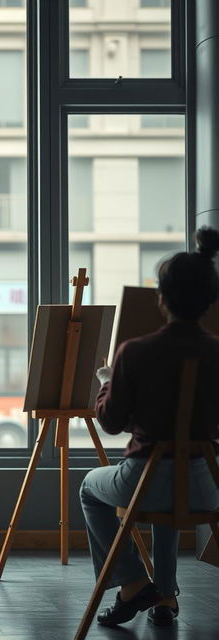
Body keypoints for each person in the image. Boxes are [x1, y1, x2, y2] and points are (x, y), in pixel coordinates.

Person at [80, 227, 219, 628]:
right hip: (207, 483)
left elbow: (110, 422)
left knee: (90, 487)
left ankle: (132, 583)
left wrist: (107, 381)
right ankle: (165, 595)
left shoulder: (136, 352)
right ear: (211, 301)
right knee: (169, 494)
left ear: (161, 298)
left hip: (144, 478)